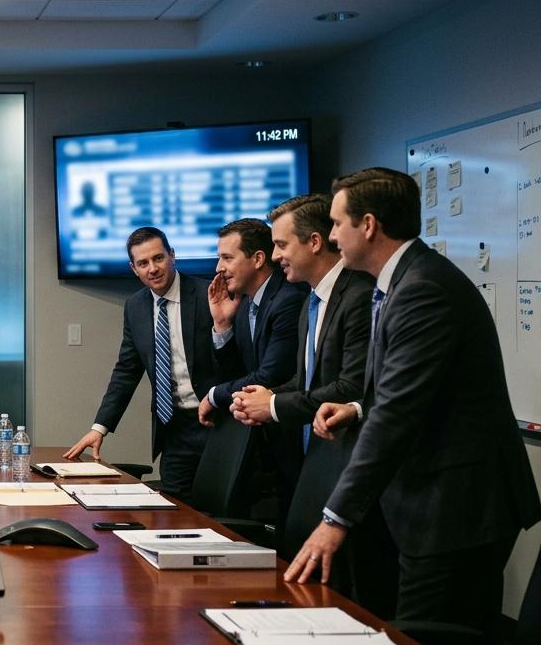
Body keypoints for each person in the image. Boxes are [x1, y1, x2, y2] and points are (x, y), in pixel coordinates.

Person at [287, 168, 541, 645]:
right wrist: (359, 404)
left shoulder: (422, 288)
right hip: (431, 498)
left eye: (337, 223)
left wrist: (335, 519)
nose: (332, 235)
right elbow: (408, 391)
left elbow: (397, 415)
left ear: (368, 225)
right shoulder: (400, 282)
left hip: (456, 505)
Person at [227, 195, 395, 615]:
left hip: (350, 468)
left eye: (282, 246)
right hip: (314, 466)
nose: (277, 256)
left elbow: (352, 386)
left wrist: (276, 405)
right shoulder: (311, 301)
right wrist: (260, 399)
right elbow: (306, 381)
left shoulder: (358, 296)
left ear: (315, 241)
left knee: (356, 600)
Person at [63, 227, 218, 501]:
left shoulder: (209, 295)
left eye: (158, 258)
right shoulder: (135, 306)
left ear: (173, 256)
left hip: (218, 422)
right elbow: (126, 371)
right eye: (143, 263)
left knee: (219, 509)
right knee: (175, 513)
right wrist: (100, 428)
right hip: (174, 429)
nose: (153, 269)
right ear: (133, 269)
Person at [201, 217, 306, 522]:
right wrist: (222, 325)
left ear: (258, 259)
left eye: (227, 258)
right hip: (264, 449)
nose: (219, 267)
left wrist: (213, 396)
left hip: (292, 442)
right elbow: (235, 375)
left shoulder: (287, 300)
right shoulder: (246, 304)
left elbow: (268, 377)